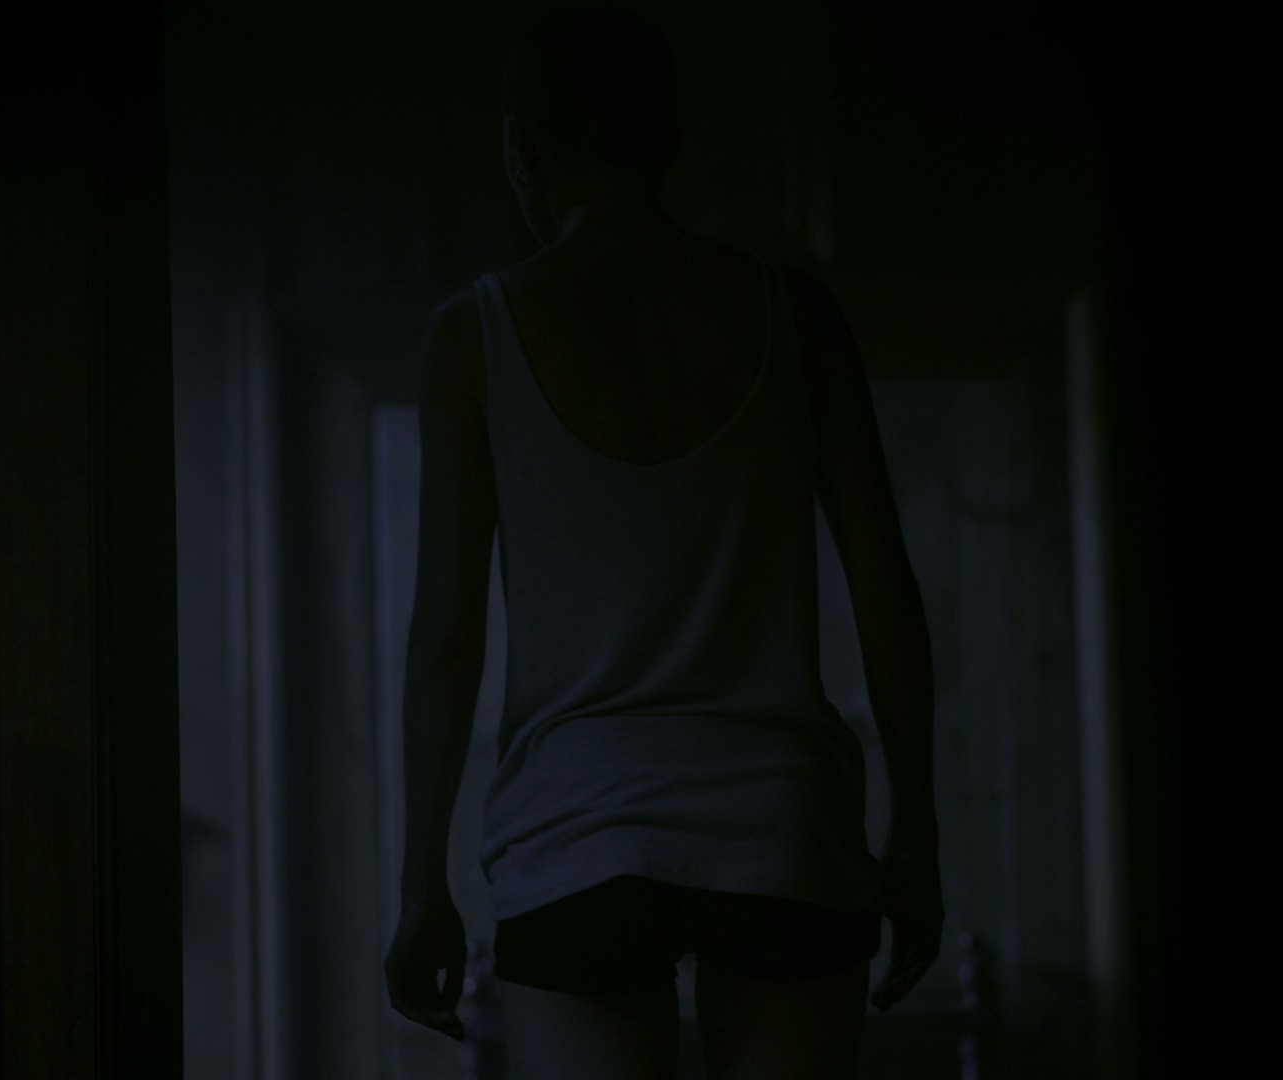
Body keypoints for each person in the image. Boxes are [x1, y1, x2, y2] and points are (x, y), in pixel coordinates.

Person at [385, 7, 943, 1078]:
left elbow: (446, 639)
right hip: (780, 820)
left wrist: (422, 889)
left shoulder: (475, 337)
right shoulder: (797, 315)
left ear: (521, 148)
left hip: (577, 832)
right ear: (670, 140)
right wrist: (915, 838)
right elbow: (887, 594)